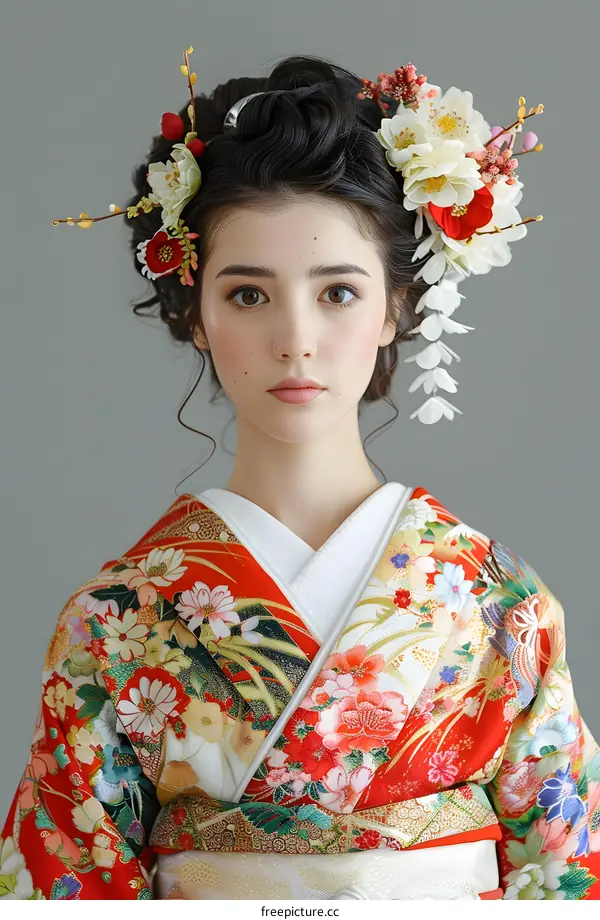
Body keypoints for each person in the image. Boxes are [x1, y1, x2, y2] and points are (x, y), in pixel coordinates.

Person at [1, 47, 598, 901]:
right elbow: (66, 886)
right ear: (195, 312)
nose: (295, 340)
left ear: (395, 307)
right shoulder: (113, 623)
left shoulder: (495, 604)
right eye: (248, 294)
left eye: (338, 292)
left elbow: (570, 879)